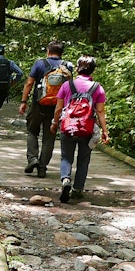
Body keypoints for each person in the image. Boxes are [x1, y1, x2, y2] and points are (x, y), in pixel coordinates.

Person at [50, 55, 109, 203]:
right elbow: (100, 112)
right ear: (93, 70)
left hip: (68, 126)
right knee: (83, 159)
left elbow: (58, 108)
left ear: (77, 68)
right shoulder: (98, 88)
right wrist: (104, 131)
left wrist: (54, 123)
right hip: (87, 129)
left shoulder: (67, 85)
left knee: (66, 156)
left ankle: (65, 180)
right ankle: (77, 189)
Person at [18, 40, 69, 178]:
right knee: (49, 138)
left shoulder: (40, 63)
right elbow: (70, 88)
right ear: (61, 53)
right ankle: (42, 168)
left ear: (48, 51)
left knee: (32, 132)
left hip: (38, 104)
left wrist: (23, 101)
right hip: (56, 107)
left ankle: (32, 158)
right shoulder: (67, 66)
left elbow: (29, 83)